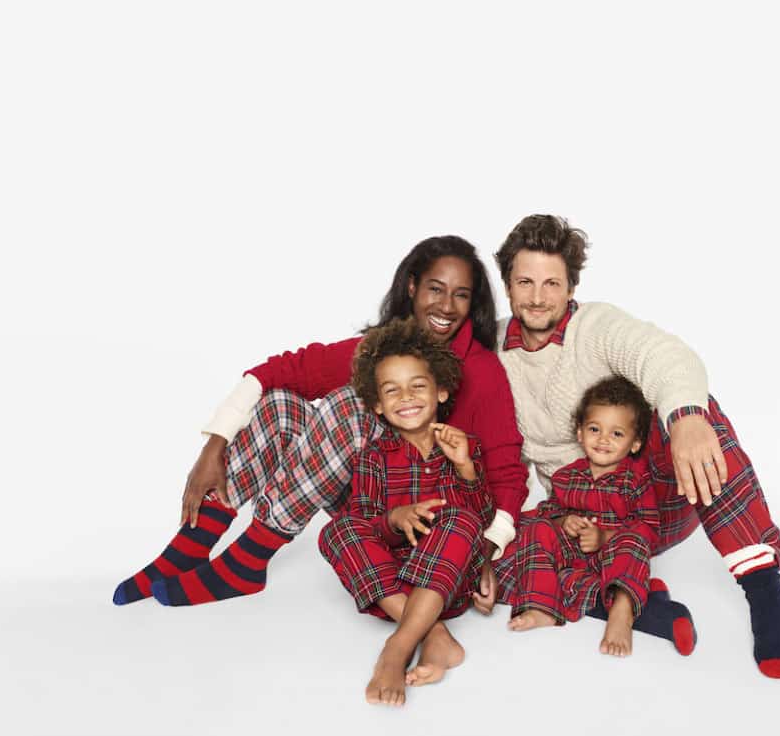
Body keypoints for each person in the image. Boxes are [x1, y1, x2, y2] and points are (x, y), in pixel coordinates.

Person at [111, 236, 525, 608]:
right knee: (280, 406)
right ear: (413, 287)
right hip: (370, 495)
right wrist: (214, 445)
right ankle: (192, 545)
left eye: (461, 295)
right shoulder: (380, 348)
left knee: (350, 405)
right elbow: (277, 371)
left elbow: (508, 472)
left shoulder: (482, 370)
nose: (446, 306)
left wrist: (487, 549)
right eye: (436, 289)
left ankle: (248, 558)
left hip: (424, 521)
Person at [479, 215, 780, 679]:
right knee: (486, 563)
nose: (537, 297)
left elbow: (663, 355)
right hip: (577, 514)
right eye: (525, 282)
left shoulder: (595, 325)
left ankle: (764, 591)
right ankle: (642, 605)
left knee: (691, 410)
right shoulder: (490, 348)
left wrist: (688, 418)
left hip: (651, 501)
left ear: (571, 287)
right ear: (508, 287)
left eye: (551, 283)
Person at [318, 319, 494, 706]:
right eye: (392, 390)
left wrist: (465, 467)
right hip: (392, 586)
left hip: (447, 585)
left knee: (460, 519)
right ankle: (434, 637)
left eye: (418, 386)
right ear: (378, 404)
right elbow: (365, 525)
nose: (406, 397)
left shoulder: (463, 446)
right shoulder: (373, 457)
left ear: (441, 391)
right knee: (337, 528)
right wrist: (394, 519)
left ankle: (398, 646)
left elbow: (479, 518)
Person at [507, 376, 695, 658]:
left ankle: (621, 609)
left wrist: (604, 537)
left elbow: (648, 530)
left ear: (634, 443)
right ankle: (543, 606)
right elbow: (550, 511)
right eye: (595, 429)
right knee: (535, 529)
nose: (604, 439)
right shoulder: (566, 476)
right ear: (580, 433)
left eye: (617, 434)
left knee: (633, 542)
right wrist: (563, 522)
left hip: (613, 558)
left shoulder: (634, 481)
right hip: (573, 562)